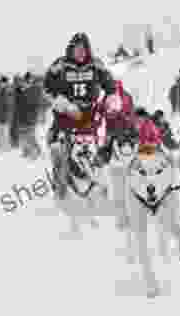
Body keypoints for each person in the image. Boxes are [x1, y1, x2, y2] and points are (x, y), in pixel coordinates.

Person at [43, 32, 121, 198]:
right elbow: (47, 88)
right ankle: (60, 187)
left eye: (83, 49)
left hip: (90, 115)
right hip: (65, 115)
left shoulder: (96, 64)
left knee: (108, 139)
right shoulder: (60, 65)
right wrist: (63, 104)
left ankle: (106, 179)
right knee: (55, 145)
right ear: (71, 49)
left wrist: (111, 100)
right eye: (77, 49)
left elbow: (110, 86)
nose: (80, 53)